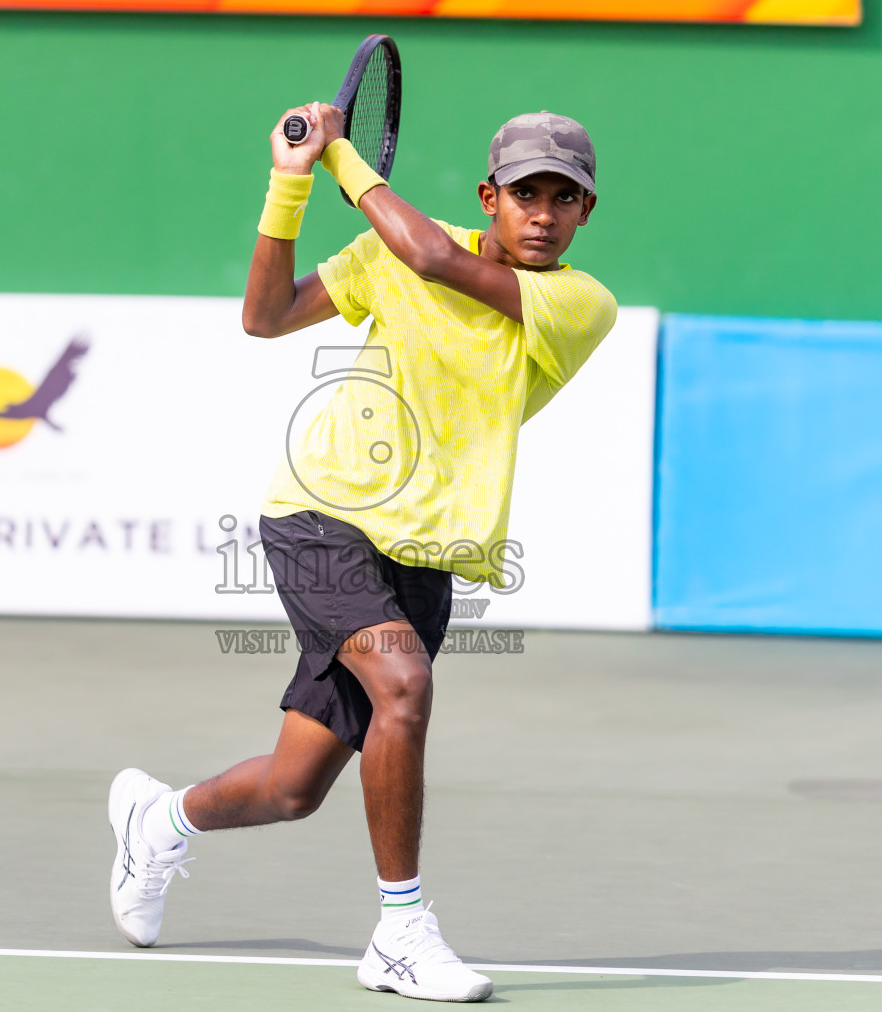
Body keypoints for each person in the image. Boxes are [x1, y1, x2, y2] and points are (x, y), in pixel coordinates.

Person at [108, 105, 617, 1003]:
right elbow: (264, 318)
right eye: (526, 193)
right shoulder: (391, 248)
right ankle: (400, 933)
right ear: (488, 197)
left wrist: (337, 152)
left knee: (294, 787)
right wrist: (291, 181)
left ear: (586, 212)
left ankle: (161, 819)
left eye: (564, 198)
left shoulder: (579, 303)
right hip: (320, 514)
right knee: (405, 684)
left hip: (422, 554)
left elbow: (437, 260)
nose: (543, 213)